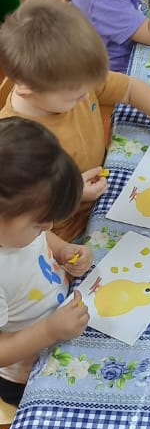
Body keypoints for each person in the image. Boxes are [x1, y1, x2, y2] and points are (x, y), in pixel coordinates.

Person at [0, 0, 150, 241]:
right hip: (62, 235)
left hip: (103, 193)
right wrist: (74, 195)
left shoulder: (70, 77)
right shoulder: (13, 148)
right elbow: (22, 224)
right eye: (75, 96)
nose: (86, 96)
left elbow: (129, 88)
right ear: (27, 89)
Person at [0, 118, 92, 406]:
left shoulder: (15, 230)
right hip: (27, 372)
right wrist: (49, 330)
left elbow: (42, 238)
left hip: (63, 319)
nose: (49, 227)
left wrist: (63, 249)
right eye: (38, 224)